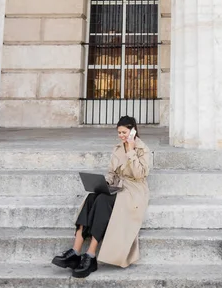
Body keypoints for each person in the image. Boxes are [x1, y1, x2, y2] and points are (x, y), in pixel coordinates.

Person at [51, 116, 150, 278]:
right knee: (92, 197)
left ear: (133, 130)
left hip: (134, 190)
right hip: (117, 186)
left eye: (124, 132)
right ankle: (75, 251)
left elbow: (139, 175)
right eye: (119, 132)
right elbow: (112, 173)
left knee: (103, 201)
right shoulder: (117, 148)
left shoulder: (142, 149)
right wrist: (104, 183)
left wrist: (131, 149)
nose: (121, 136)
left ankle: (90, 256)